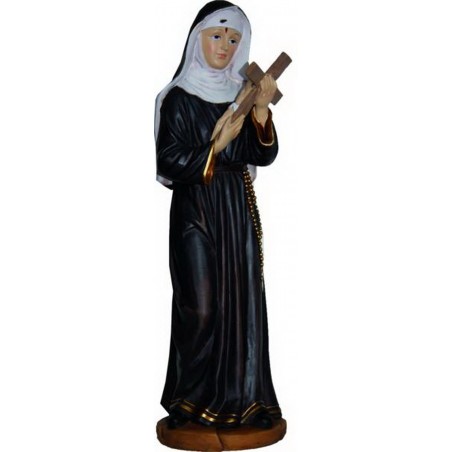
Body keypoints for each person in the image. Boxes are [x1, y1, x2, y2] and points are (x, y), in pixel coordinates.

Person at [154, 0, 282, 430]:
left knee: (241, 304)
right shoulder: (176, 99)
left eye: (234, 38)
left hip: (235, 206)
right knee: (201, 306)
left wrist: (259, 111)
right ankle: (188, 400)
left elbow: (260, 155)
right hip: (195, 209)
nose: (225, 45)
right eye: (217, 35)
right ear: (197, 40)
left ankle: (243, 400)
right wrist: (215, 146)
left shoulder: (239, 96)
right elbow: (169, 160)